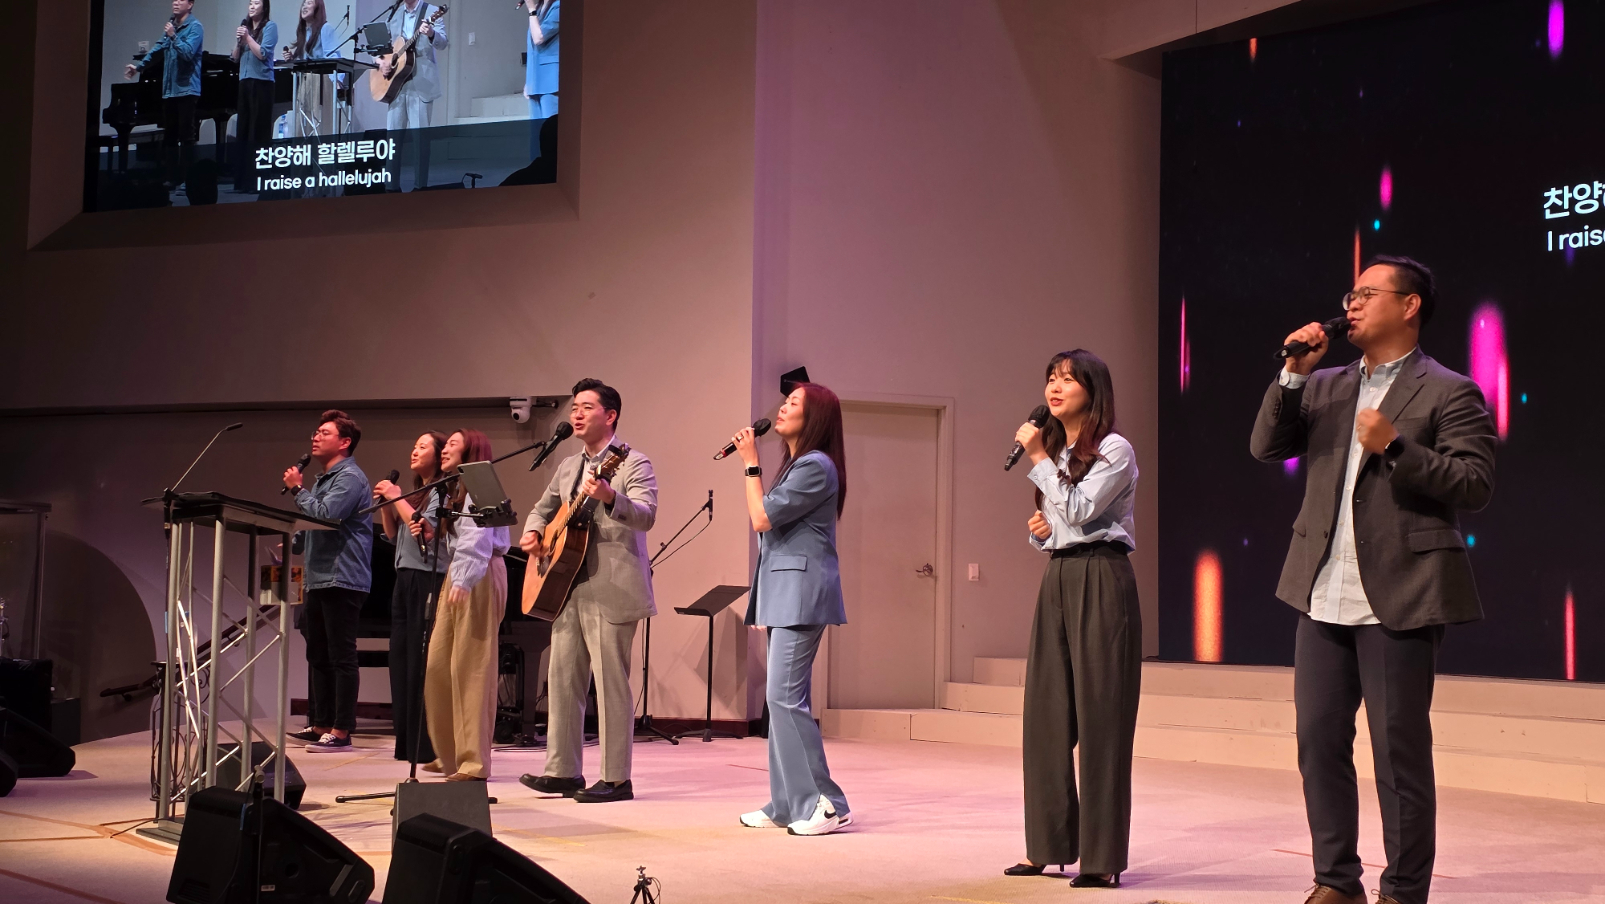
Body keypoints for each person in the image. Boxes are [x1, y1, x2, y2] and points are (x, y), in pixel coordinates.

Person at [1251, 256, 1496, 904]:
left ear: (1409, 305)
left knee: (1397, 755)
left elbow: (1474, 484)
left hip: (1401, 592)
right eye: (1349, 296)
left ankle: (1402, 891)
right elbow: (1266, 447)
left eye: (1366, 294)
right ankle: (1335, 881)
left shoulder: (1449, 390)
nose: (1351, 305)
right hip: (1321, 590)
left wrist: (1395, 446)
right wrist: (1291, 375)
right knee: (1317, 743)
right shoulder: (1324, 385)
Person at [1002, 349, 1140, 887]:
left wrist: (1038, 458)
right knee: (1045, 717)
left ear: (1093, 389)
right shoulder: (1056, 451)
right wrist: (1041, 533)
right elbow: (1062, 521)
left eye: (1067, 379)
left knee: (1103, 722)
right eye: (1050, 379)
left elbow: (1083, 511)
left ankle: (1102, 859)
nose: (1054, 388)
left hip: (1103, 577)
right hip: (1058, 576)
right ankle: (1047, 845)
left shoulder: (1114, 449)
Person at [518, 379, 657, 804]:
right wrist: (534, 532)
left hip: (612, 586)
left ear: (610, 415)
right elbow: (542, 509)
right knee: (562, 680)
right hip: (565, 584)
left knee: (610, 683)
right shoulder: (567, 466)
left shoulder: (633, 462)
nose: (575, 414)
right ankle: (562, 771)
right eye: (574, 407)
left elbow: (646, 515)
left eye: (586, 407)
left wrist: (611, 496)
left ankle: (616, 779)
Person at [730, 382, 852, 837]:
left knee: (785, 698)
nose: (782, 409)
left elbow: (761, 518)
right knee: (778, 700)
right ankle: (786, 802)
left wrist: (750, 464)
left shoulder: (816, 465)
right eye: (784, 402)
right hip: (785, 592)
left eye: (793, 404)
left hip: (802, 592)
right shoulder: (799, 464)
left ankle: (827, 803)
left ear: (814, 417)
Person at [414, 429, 510, 781]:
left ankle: (473, 761)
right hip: (459, 572)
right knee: (439, 666)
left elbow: (478, 535)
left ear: (471, 452)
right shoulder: (455, 489)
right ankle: (450, 753)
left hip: (478, 573)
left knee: (471, 668)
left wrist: (465, 578)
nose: (445, 449)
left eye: (453, 444)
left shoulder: (481, 486)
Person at [282, 410, 373, 753]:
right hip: (317, 578)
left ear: (345, 442)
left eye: (324, 432)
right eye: (315, 432)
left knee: (341, 656)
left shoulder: (350, 477)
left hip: (342, 577)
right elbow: (313, 523)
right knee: (318, 654)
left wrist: (297, 489)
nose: (315, 437)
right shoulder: (324, 480)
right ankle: (321, 723)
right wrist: (295, 541)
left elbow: (327, 515)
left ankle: (342, 730)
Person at [373, 431, 449, 763]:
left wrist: (396, 497)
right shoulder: (416, 493)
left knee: (420, 661)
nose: (414, 451)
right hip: (403, 578)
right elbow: (393, 535)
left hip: (427, 577)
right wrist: (387, 505)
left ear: (439, 454)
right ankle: (405, 742)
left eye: (422, 446)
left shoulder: (441, 491)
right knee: (400, 658)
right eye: (414, 446)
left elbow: (425, 531)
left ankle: (426, 744)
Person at [124, 0, 204, 189]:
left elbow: (188, 53)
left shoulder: (195, 27)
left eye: (180, 0)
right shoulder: (171, 25)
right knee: (170, 135)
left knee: (187, 136)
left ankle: (188, 180)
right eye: (174, 0)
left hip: (186, 90)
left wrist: (173, 36)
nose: (175, 3)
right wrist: (138, 67)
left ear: (190, 4)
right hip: (170, 90)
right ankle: (172, 178)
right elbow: (158, 49)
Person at [377, 0, 448, 189]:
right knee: (393, 141)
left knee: (420, 141)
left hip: (421, 82)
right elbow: (381, 46)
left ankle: (420, 188)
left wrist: (431, 33)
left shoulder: (432, 11)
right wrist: (381, 61)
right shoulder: (394, 13)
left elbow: (443, 43)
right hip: (396, 84)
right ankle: (391, 188)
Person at [231, 0, 278, 191]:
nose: (251, 6)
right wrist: (239, 42)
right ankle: (241, 181)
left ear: (264, 7)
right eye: (250, 3)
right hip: (244, 82)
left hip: (262, 83)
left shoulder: (270, 27)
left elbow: (263, 54)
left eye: (256, 3)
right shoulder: (246, 28)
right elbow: (235, 58)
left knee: (258, 133)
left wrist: (248, 38)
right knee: (243, 131)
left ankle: (257, 180)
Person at [284, 0, 343, 139]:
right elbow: (305, 59)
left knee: (319, 121)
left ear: (317, 8)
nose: (304, 6)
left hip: (321, 81)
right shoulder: (304, 32)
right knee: (302, 120)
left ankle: (320, 149)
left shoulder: (325, 28)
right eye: (304, 3)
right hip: (305, 80)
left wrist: (337, 81)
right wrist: (292, 58)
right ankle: (302, 149)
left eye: (309, 3)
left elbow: (334, 56)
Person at [523, 0, 559, 158]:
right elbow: (533, 48)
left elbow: (539, 37)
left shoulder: (559, 6)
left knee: (550, 133)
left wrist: (531, 10)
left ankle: (554, 168)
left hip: (551, 80)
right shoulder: (538, 8)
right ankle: (537, 168)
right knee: (536, 135)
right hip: (536, 81)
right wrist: (529, 81)